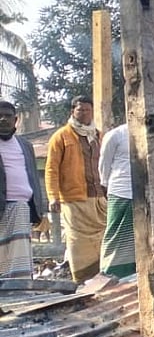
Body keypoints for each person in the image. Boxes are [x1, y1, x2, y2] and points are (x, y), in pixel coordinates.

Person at [45, 95, 106, 281]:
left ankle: (101, 278)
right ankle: (81, 281)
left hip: (98, 197)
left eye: (88, 109)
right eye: (80, 110)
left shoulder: (98, 135)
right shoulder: (61, 136)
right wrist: (53, 196)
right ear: (73, 111)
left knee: (104, 239)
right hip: (74, 200)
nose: (84, 113)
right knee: (78, 244)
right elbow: (51, 168)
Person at [0, 101, 47, 279]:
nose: (3, 119)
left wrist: (38, 208)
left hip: (21, 207)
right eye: (0, 116)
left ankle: (19, 288)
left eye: (8, 116)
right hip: (2, 207)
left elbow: (33, 175)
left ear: (16, 120)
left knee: (19, 254)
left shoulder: (25, 145)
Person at [98, 122, 135, 278]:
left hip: (146, 195)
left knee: (139, 237)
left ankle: (133, 274)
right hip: (121, 191)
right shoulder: (116, 135)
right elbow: (104, 164)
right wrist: (106, 185)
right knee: (115, 234)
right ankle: (109, 272)